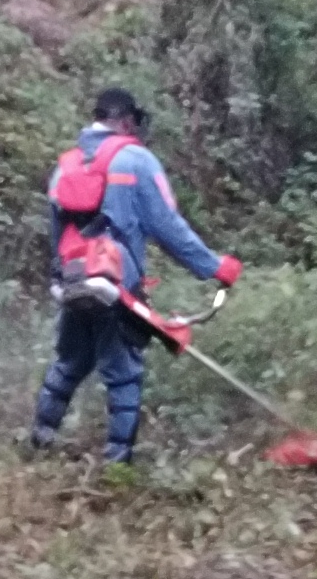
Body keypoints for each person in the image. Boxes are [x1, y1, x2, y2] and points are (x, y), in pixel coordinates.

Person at [31, 85, 237, 462]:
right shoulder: (136, 161)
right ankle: (117, 464)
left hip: (74, 279)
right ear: (126, 121)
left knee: (70, 361)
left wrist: (58, 278)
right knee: (123, 372)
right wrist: (214, 267)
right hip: (114, 283)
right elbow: (167, 227)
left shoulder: (67, 164)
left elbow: (56, 232)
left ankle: (39, 442)